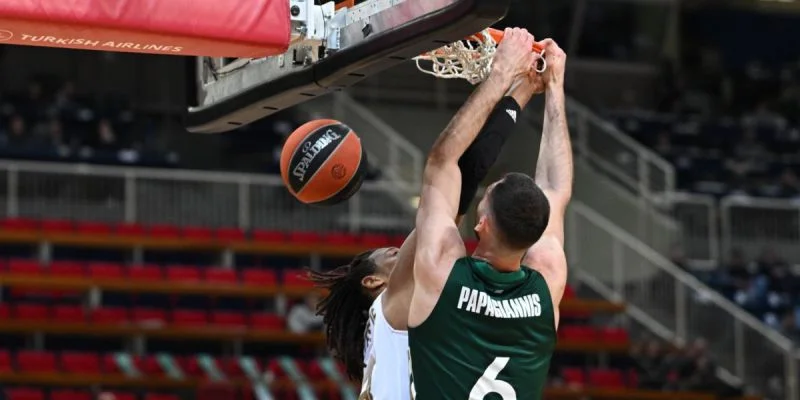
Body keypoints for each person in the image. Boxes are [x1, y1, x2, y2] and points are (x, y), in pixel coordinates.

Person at [308, 41, 544, 399]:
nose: (405, 250)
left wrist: (519, 89)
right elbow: (456, 170)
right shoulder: (391, 311)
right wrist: (508, 81)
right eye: (393, 253)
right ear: (373, 281)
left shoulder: (390, 334)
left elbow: (459, 178)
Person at [408, 30, 570, 399]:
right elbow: (556, 188)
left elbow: (443, 161)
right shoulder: (547, 280)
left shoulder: (442, 270)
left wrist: (501, 74)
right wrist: (555, 86)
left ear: (481, 225)